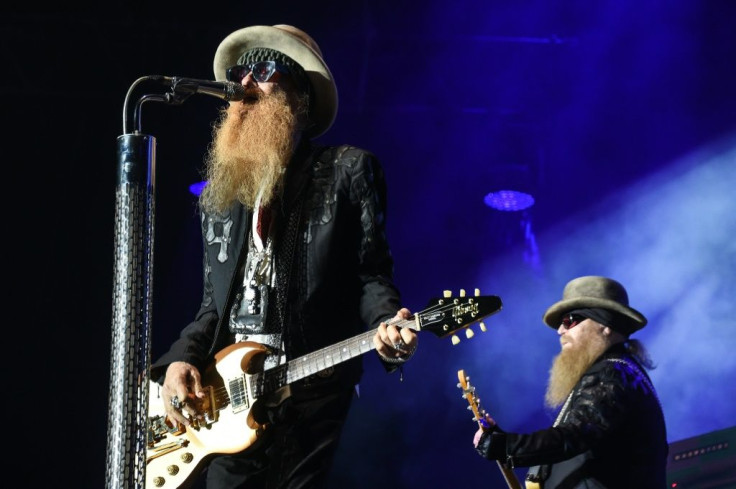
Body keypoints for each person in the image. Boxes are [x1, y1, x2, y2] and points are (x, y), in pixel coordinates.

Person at [150, 24, 418, 489]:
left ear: (299, 95)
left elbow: (370, 273)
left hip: (312, 399)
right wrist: (178, 361)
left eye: (263, 69)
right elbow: (214, 308)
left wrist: (388, 323)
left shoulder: (346, 171)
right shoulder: (221, 197)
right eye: (239, 72)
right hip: (230, 405)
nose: (245, 83)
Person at [472, 275, 668, 488]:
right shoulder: (617, 370)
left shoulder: (612, 373)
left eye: (569, 321)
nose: (560, 331)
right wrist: (504, 443)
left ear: (605, 325)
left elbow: (573, 436)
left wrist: (505, 446)